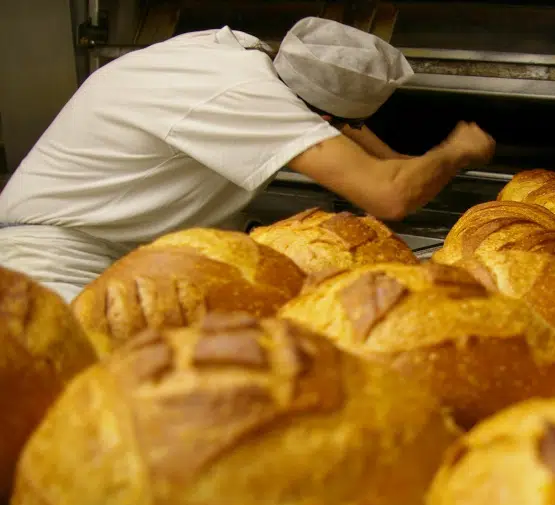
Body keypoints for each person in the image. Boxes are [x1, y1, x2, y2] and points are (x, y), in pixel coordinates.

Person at [0, 17, 495, 303]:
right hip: (51, 261)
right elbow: (389, 193)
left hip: (117, 254)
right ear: (318, 111)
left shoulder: (238, 56)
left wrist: (422, 163)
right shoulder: (246, 96)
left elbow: (367, 145)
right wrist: (457, 151)